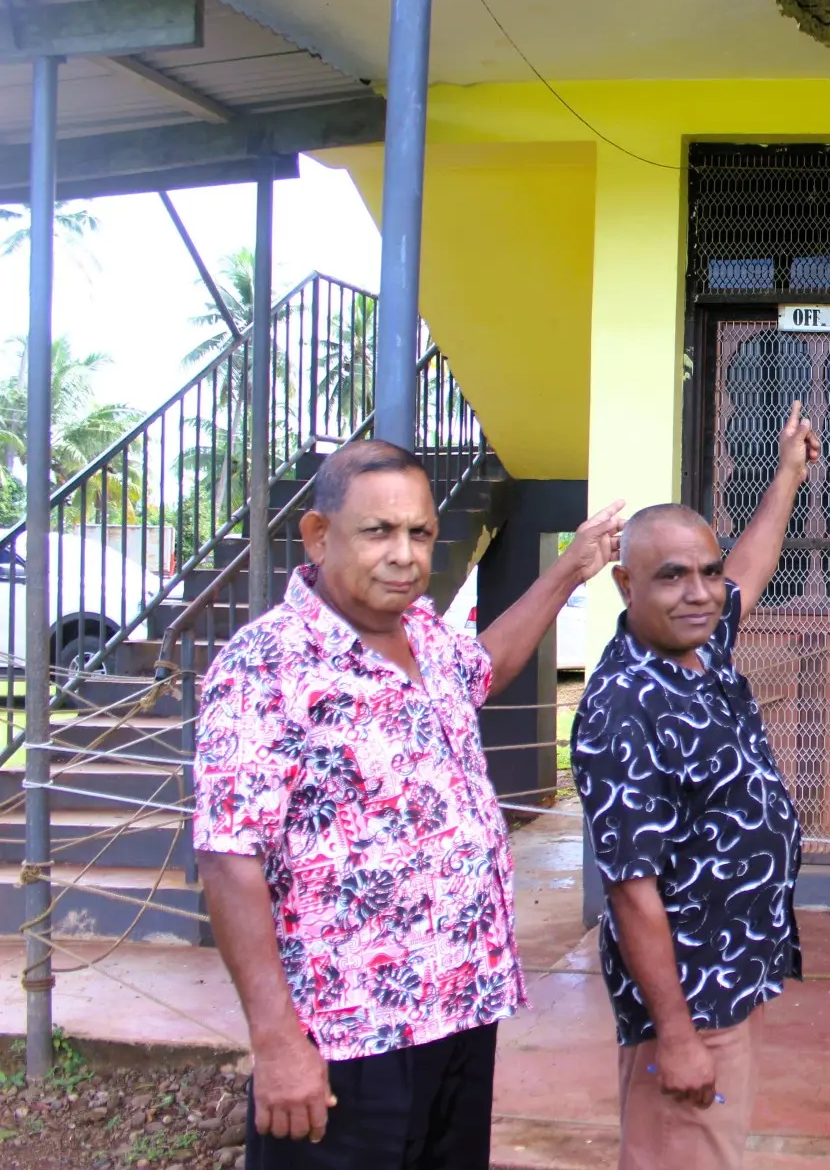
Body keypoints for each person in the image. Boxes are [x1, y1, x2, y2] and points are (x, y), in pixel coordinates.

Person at [193, 439, 624, 1169]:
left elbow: (486, 666)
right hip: (348, 1036)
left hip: (458, 1005)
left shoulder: (424, 632)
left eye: (419, 533)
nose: (405, 553)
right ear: (319, 535)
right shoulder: (266, 663)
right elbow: (230, 857)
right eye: (379, 531)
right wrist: (275, 1042)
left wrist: (573, 567)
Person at [570, 400, 819, 1170]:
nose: (702, 591)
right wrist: (674, 1036)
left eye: (705, 573)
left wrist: (787, 476)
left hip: (727, 978)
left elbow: (751, 564)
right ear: (624, 584)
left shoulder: (700, 648)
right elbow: (631, 890)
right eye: (672, 576)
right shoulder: (622, 707)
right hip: (686, 1002)